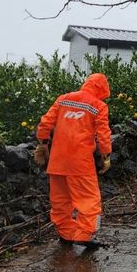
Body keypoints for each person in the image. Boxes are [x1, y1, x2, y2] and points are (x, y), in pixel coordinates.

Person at [34, 73, 112, 249]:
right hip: (80, 163)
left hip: (57, 161)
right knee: (89, 199)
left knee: (60, 200)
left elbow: (45, 124)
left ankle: (66, 234)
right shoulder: (99, 106)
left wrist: (44, 143)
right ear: (102, 89)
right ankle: (84, 235)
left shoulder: (63, 99)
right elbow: (104, 134)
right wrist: (106, 156)